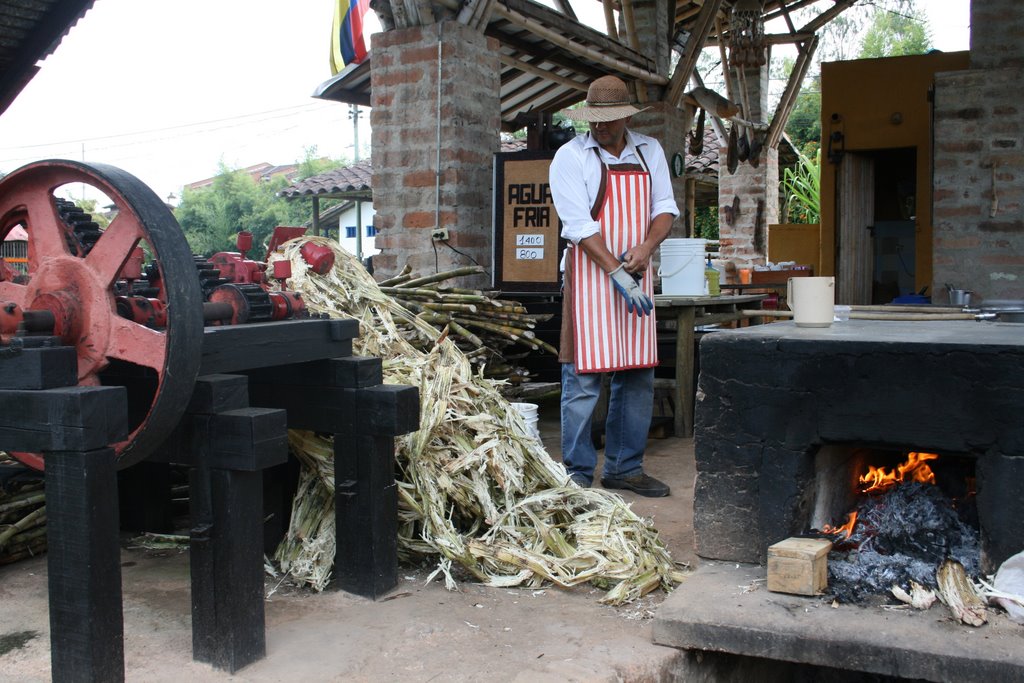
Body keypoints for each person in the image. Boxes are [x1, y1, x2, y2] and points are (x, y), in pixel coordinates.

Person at [549, 75, 678, 498]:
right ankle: (579, 474)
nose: (600, 128)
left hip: (638, 277)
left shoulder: (649, 150)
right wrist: (615, 271)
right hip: (590, 278)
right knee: (583, 379)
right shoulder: (570, 157)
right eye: (594, 121)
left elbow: (664, 208)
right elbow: (579, 226)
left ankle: (626, 467)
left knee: (637, 374)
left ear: (624, 116)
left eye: (608, 121)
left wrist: (644, 249)